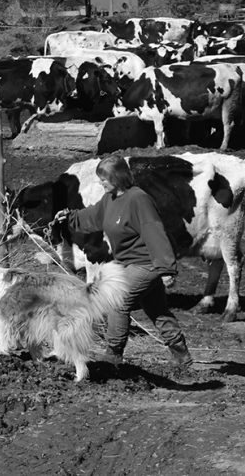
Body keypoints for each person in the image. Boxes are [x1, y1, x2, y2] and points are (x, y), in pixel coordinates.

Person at [56, 155, 193, 372]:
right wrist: (70, 217)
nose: (101, 182)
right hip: (128, 264)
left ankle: (113, 356)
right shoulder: (110, 199)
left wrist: (166, 267)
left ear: (118, 177)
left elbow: (153, 229)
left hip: (147, 264)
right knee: (158, 311)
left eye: (105, 178)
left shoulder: (138, 199)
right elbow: (93, 216)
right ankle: (181, 355)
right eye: (100, 178)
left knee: (117, 301)